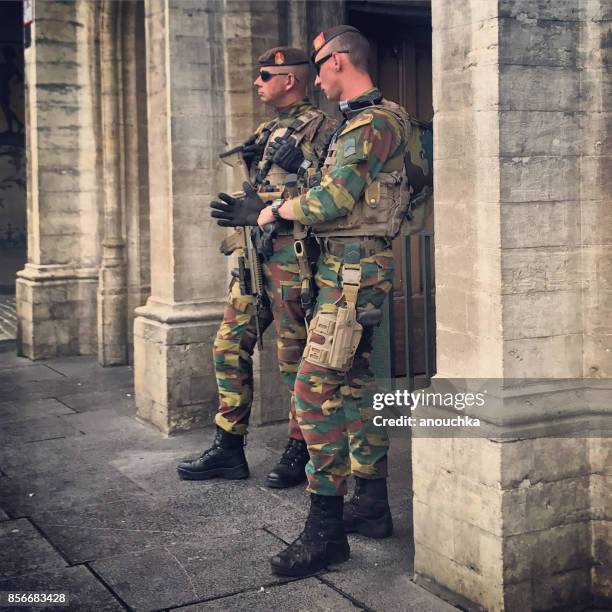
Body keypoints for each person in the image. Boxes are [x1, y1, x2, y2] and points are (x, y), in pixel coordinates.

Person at [253, 26, 414, 575]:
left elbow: (336, 196)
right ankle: (369, 505)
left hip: (354, 275)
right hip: (344, 270)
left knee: (313, 389)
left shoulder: (372, 122)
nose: (315, 77)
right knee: (353, 386)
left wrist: (275, 210)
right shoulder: (361, 122)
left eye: (320, 66)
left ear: (339, 60)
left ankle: (325, 530)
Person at [177, 47, 336, 490]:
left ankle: (299, 448)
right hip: (254, 257)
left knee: (294, 360)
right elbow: (261, 189)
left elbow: (335, 194)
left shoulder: (324, 128)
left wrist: (301, 166)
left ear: (291, 80)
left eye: (266, 75)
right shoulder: (268, 128)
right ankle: (228, 447)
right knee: (227, 346)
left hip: (293, 260)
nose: (257, 81)